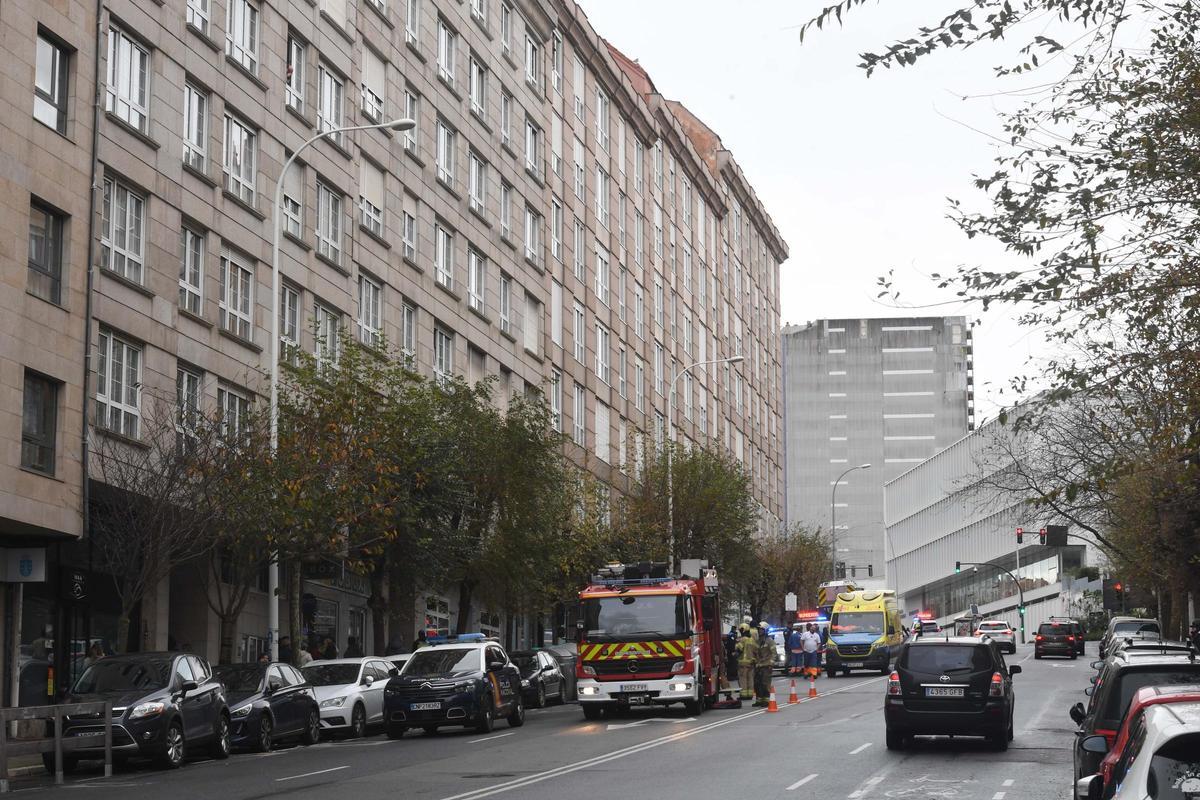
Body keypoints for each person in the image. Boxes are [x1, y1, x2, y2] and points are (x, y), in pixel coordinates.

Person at [753, 621, 775, 706]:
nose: (759, 631)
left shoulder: (769, 641)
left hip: (766, 666)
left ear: (765, 630)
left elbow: (774, 653)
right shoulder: (758, 641)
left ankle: (766, 700)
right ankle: (759, 700)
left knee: (765, 683)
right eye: (758, 629)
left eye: (761, 629)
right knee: (757, 683)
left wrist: (771, 664)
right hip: (758, 666)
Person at [735, 623, 756, 701]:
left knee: (743, 679)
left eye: (740, 630)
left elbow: (738, 648)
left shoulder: (743, 639)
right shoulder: (752, 640)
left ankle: (743, 695)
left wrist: (736, 645)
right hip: (751, 663)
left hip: (743, 663)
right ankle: (750, 694)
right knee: (750, 678)